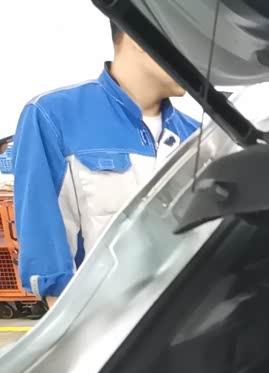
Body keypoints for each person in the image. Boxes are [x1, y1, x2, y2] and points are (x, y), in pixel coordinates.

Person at [12, 22, 198, 305]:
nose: (195, 58)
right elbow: (45, 245)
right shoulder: (54, 118)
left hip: (189, 316)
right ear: (139, 36)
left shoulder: (198, 136)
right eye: (185, 40)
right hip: (105, 320)